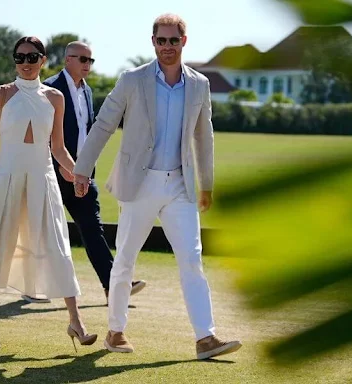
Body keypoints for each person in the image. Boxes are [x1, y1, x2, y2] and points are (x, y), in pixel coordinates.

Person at [73, 13, 241, 359]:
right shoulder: (132, 80)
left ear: (184, 41)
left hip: (180, 185)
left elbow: (203, 137)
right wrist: (82, 170)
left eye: (173, 40)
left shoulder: (199, 84)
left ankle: (205, 338)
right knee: (125, 260)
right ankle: (116, 331)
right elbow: (104, 124)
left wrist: (206, 185)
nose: (167, 46)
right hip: (140, 183)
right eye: (161, 40)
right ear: (153, 42)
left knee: (192, 260)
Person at [0, 36, 97, 351]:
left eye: (32, 57)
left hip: (43, 178)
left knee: (58, 245)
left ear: (43, 60)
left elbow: (58, 147)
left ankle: (75, 321)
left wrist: (78, 174)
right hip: (7, 177)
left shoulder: (54, 98)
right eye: (20, 57)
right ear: (14, 60)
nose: (26, 63)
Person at [20, 41, 146, 305]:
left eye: (91, 60)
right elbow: (41, 135)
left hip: (81, 173)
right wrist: (63, 168)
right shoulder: (50, 88)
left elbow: (87, 132)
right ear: (67, 60)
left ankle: (112, 286)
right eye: (83, 59)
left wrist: (82, 170)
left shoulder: (87, 91)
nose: (87, 65)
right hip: (51, 171)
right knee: (44, 229)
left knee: (92, 226)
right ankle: (32, 287)